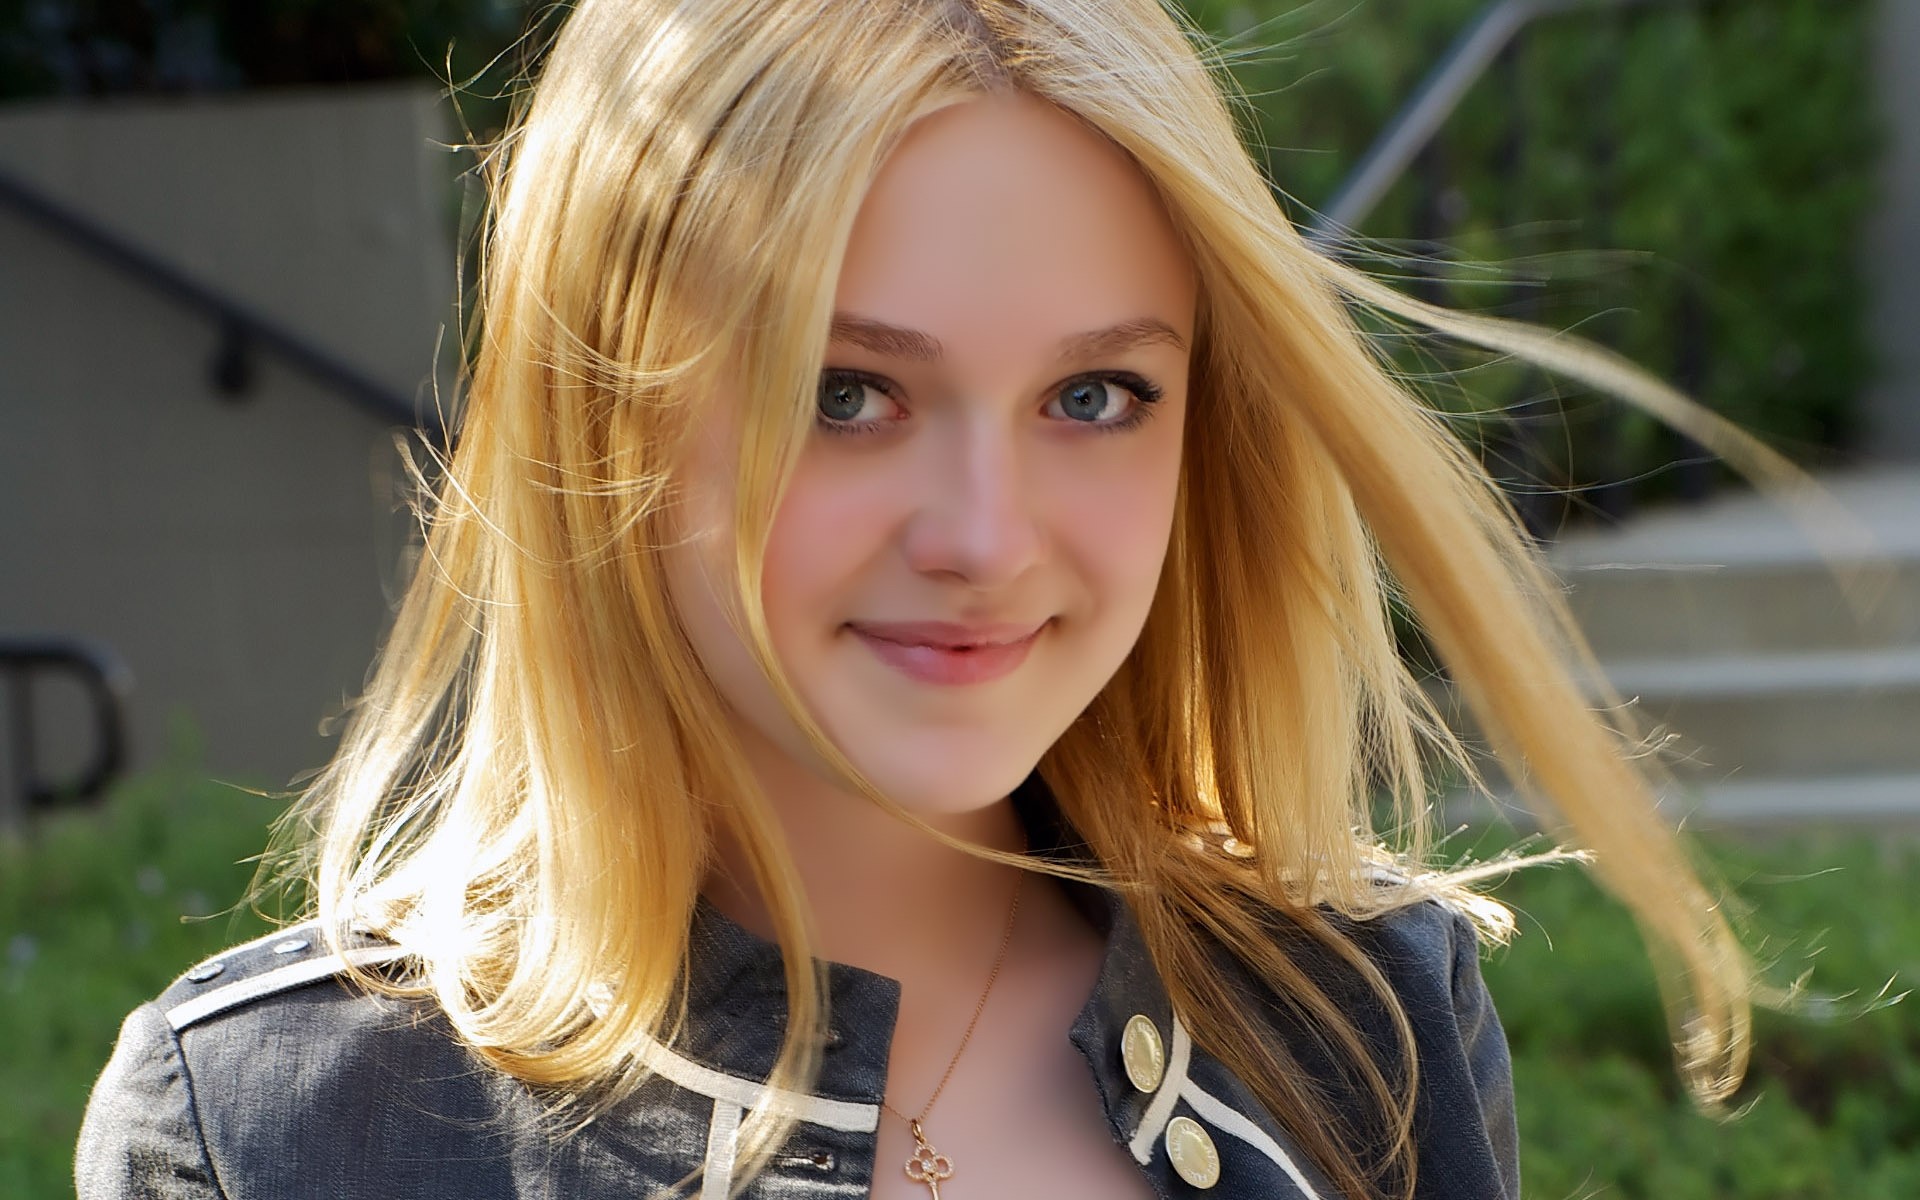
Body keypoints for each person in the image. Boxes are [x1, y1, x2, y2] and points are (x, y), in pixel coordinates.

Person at [75, 2, 1785, 1197]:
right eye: (849, 393)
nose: (986, 536)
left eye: (1096, 395)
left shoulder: (1367, 1026)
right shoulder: (275, 1132)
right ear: (604, 418)